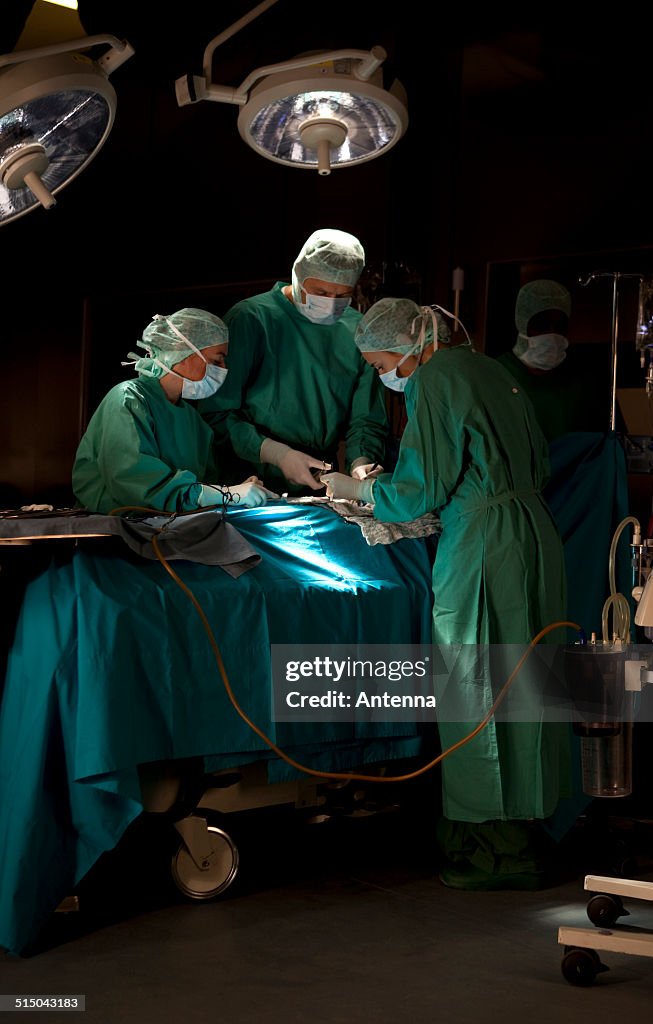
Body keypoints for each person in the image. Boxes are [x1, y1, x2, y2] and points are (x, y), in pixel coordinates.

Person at [321, 298, 571, 890]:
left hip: (485, 546)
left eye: (389, 365)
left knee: (476, 681)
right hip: (534, 535)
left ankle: (489, 847)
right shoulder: (490, 369)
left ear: (412, 345)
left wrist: (353, 487)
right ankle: (528, 832)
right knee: (527, 680)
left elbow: (418, 489)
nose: (391, 377)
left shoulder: (435, 377)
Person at [197, 228, 388, 496]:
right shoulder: (252, 319)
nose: (331, 304)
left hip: (319, 481)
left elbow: (366, 418)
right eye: (320, 291)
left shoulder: (358, 331)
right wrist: (276, 453)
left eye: (342, 295)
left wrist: (361, 463)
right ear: (298, 276)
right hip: (248, 480)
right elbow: (215, 412)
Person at [72, 308, 277, 514]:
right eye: (217, 360)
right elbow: (135, 483)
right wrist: (223, 494)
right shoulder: (129, 399)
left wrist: (233, 489)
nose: (224, 368)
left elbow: (203, 484)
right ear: (184, 353)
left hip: (167, 530)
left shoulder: (191, 419)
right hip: (113, 531)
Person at [495, 278, 606, 441]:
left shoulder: (578, 383)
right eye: (541, 325)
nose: (552, 334)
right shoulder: (495, 376)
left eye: (559, 326)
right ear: (522, 323)